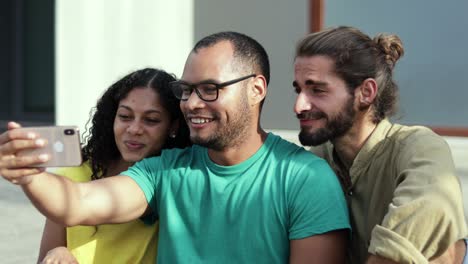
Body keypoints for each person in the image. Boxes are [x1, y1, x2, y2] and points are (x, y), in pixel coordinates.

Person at [0, 31, 350, 263]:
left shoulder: (306, 179)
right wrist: (30, 175)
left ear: (256, 89)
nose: (192, 103)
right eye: (186, 89)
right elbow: (78, 202)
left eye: (210, 88)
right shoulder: (167, 168)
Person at [292, 26, 468, 263]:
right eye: (299, 89)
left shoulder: (419, 148)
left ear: (366, 92)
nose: (299, 106)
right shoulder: (316, 162)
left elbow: (406, 247)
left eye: (317, 90)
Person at [37, 68, 191, 263]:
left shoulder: (176, 180)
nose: (134, 129)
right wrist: (59, 252)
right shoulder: (73, 175)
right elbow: (45, 255)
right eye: (125, 116)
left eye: (151, 120)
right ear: (112, 118)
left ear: (173, 126)